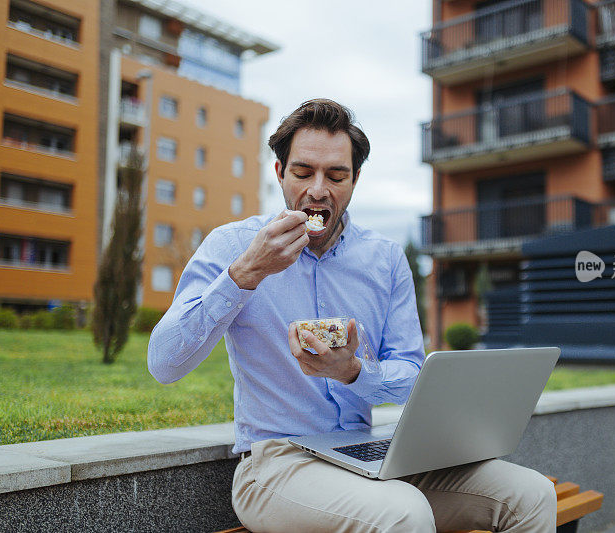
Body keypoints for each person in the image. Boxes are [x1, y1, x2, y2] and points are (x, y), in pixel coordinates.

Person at [148, 99, 556, 532]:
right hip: (276, 465)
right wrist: (246, 273)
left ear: (355, 180)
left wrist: (355, 372)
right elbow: (164, 363)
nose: (318, 190)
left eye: (336, 176)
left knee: (530, 494)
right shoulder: (234, 247)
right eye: (303, 173)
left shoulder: (385, 258)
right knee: (403, 511)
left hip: (369, 452)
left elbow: (412, 374)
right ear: (279, 173)